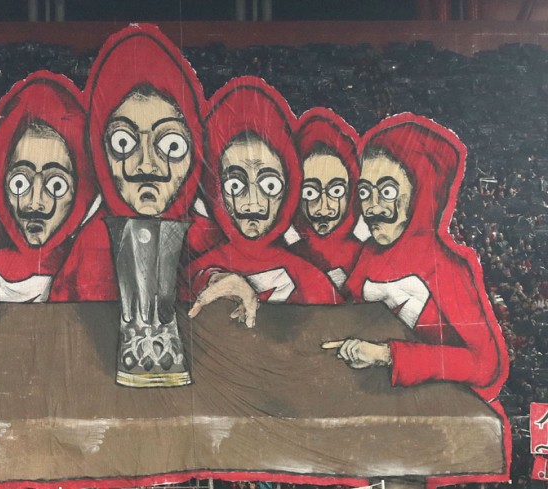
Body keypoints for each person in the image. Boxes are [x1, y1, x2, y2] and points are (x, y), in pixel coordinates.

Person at [325, 113, 509, 403]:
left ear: (421, 191)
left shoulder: (446, 267)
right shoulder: (369, 254)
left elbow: (486, 365)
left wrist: (388, 354)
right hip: (373, 395)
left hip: (433, 405)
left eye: (387, 191)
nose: (372, 207)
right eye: (365, 192)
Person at [50, 24, 221, 302]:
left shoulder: (207, 238)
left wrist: (223, 282)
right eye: (124, 143)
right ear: (101, 152)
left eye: (171, 145)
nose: (147, 166)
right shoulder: (91, 245)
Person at [184, 77, 342, 328]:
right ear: (216, 189)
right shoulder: (195, 271)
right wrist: (212, 279)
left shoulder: (311, 279)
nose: (253, 205)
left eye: (269, 185)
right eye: (235, 185)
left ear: (289, 188)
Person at [0, 72, 96, 303]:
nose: (35, 202)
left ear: (80, 190)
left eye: (56, 185)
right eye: (20, 182)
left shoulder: (88, 273)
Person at [288, 107, 365, 288]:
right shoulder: (286, 256)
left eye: (336, 191)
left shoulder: (366, 256)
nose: (324, 208)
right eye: (310, 192)